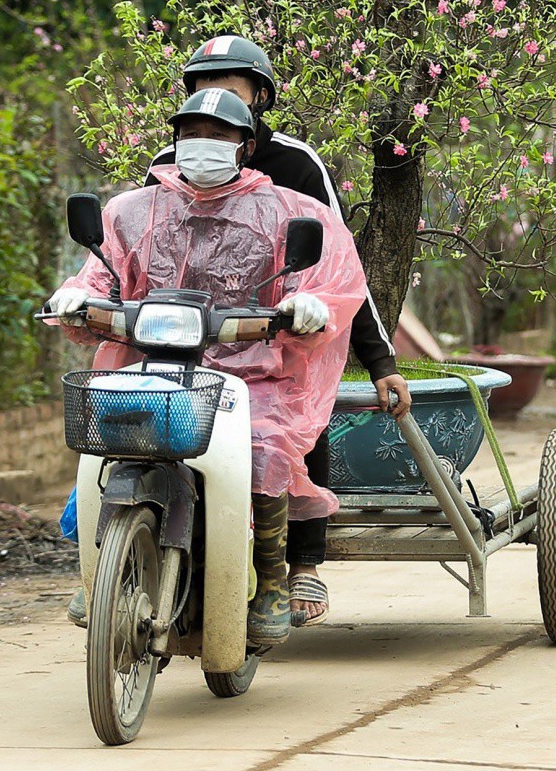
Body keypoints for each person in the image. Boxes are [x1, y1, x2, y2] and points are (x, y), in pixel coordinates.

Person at [49, 89, 366, 645]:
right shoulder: (132, 210)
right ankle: (101, 563)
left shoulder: (290, 211)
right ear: (175, 138)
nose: (204, 145)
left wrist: (309, 305)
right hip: (154, 363)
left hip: (256, 372)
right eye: (192, 132)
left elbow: (331, 278)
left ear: (245, 146)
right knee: (107, 438)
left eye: (219, 135)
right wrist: (76, 296)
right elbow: (101, 275)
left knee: (265, 445)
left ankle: (270, 577)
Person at [145, 34, 412, 626]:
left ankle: (303, 563)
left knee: (290, 411)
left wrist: (380, 362)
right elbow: (135, 246)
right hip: (186, 329)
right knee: (122, 411)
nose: (211, 99)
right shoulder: (167, 166)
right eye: (199, 88)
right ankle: (121, 546)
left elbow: (341, 267)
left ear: (259, 96)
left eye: (228, 85)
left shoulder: (295, 164)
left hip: (277, 330)